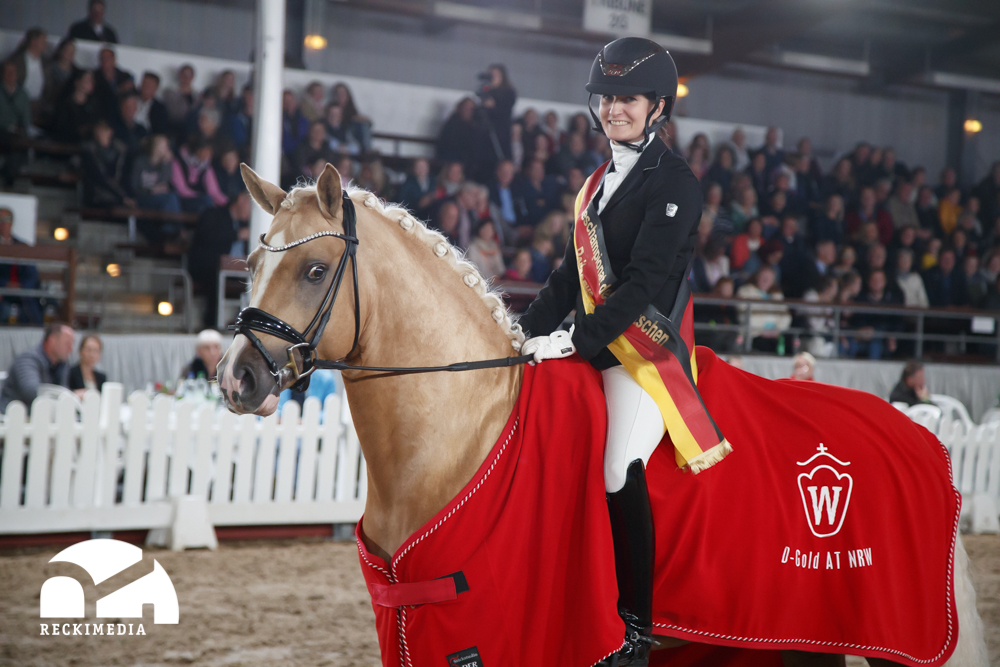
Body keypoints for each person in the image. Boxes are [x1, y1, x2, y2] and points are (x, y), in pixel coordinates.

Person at [515, 38, 728, 664]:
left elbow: (644, 283)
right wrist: (519, 333)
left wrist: (574, 340)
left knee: (617, 467)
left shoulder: (677, 182)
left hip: (643, 356)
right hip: (596, 345)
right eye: (606, 98)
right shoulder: (595, 185)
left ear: (657, 107)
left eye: (628, 99)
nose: (614, 109)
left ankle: (637, 627)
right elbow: (566, 279)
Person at [188, 192, 252, 327]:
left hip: (238, 271)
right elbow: (208, 238)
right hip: (208, 268)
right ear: (241, 199)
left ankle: (244, 323)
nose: (252, 211)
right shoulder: (213, 214)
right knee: (215, 280)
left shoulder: (249, 224)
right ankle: (212, 325)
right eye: (250, 205)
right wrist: (237, 235)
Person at [0, 322, 74, 413]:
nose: (70, 349)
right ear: (52, 340)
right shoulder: (27, 360)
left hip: (44, 416)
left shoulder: (62, 365)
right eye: (67, 343)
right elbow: (31, 392)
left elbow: (64, 392)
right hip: (14, 416)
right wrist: (70, 396)